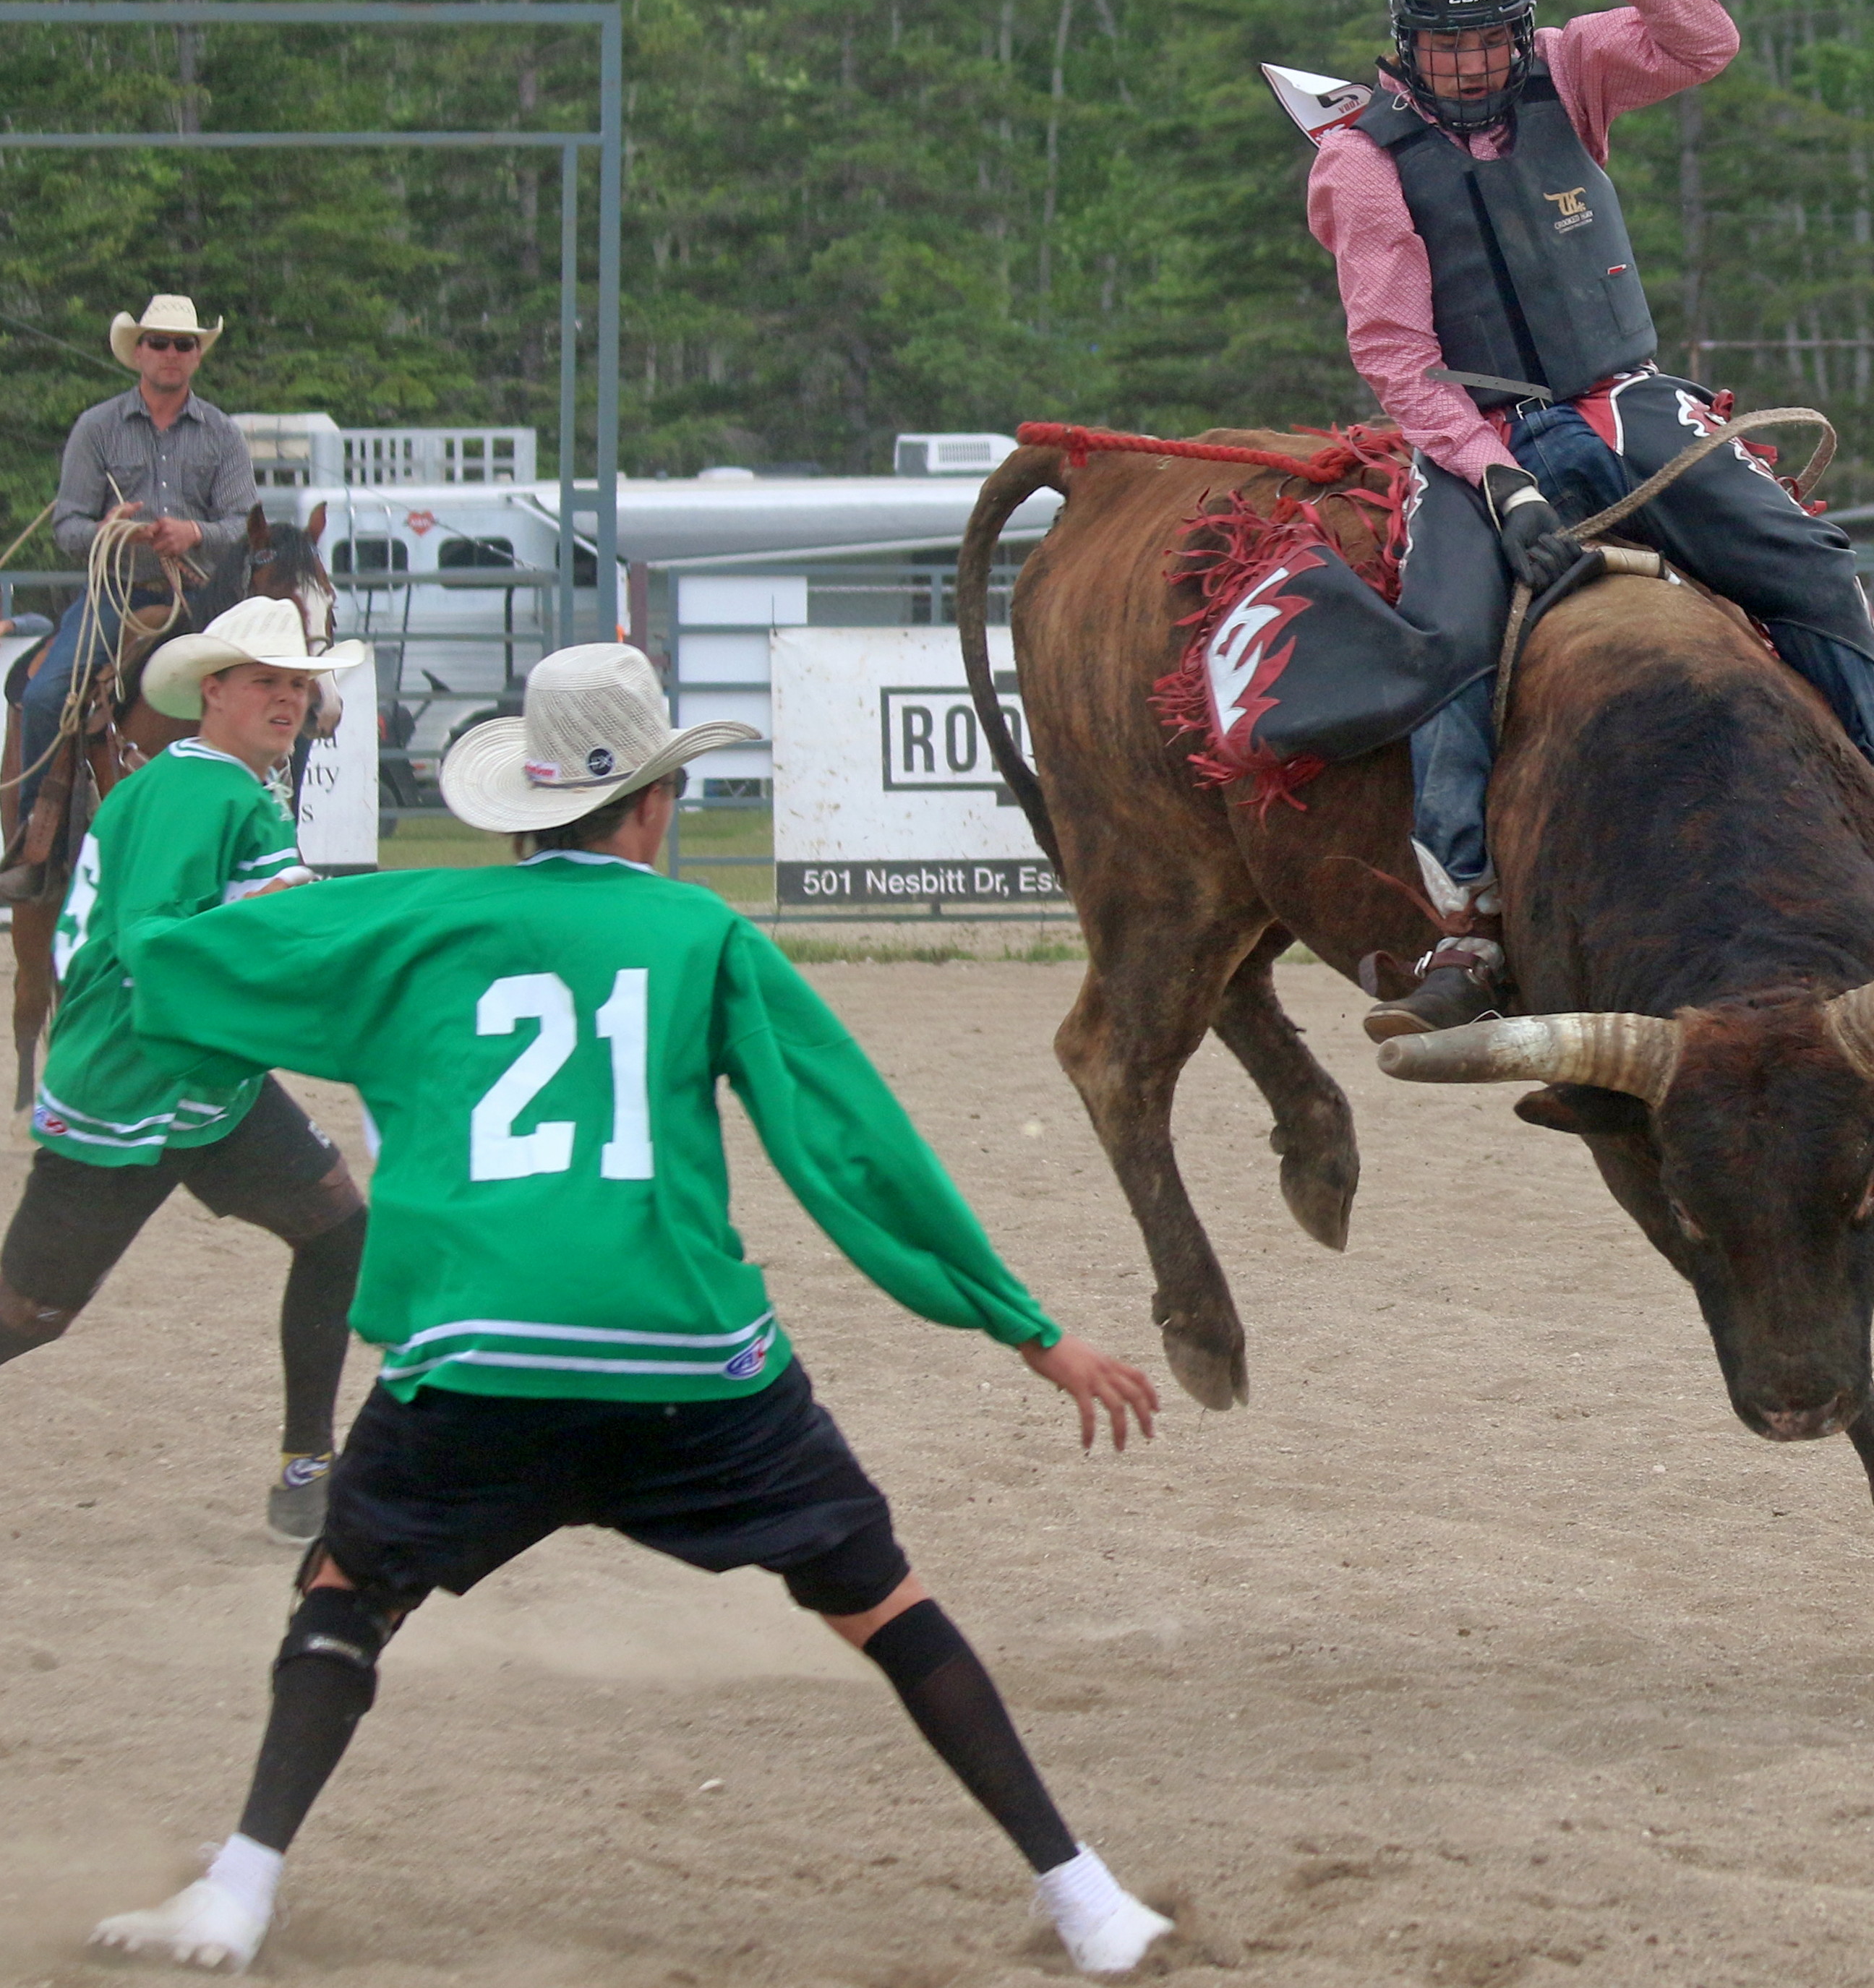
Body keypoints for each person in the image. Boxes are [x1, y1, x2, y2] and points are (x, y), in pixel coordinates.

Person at [85, 641, 1174, 1980]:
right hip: (686, 1365)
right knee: (882, 1604)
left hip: (476, 1357)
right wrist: (1020, 1323)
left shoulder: (403, 923)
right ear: (652, 804)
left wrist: (146, 831)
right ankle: (1088, 1900)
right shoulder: (701, 934)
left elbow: (176, 962)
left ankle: (236, 1894)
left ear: (524, 803)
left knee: (344, 1593)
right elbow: (848, 1148)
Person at [1306, 0, 1874, 1035]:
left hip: (1624, 400)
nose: (1468, 64)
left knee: (1809, 566)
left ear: (1516, 28)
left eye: (1485, 39)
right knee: (1446, 641)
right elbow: (1398, 359)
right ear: (1401, 42)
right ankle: (1465, 914)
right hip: (1476, 432)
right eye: (1442, 45)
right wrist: (1495, 479)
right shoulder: (1359, 162)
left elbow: (1703, 43)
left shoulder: (1570, 64)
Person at [0, 596, 370, 1544]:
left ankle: (308, 1467)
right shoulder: (200, 789)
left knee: (337, 1229)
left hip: (203, 1084)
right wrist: (286, 922)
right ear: (213, 692)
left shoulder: (211, 784)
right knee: (31, 1314)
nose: (289, 699)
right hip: (132, 1083)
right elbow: (155, 942)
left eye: (299, 684)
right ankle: (304, 1470)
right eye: (267, 682)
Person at [1, 294, 259, 903]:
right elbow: (68, 527)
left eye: (184, 344)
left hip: (203, 600)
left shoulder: (221, 432)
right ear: (138, 351)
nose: (172, 354)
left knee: (282, 689)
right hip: (118, 596)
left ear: (197, 356)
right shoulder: (97, 427)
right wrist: (109, 527)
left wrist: (195, 532)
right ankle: (38, 842)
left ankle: (275, 828)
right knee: (44, 693)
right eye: (161, 343)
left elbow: (245, 523)